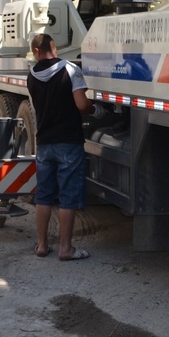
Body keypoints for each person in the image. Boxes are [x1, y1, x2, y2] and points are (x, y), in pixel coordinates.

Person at [27, 32, 96, 261]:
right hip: (68, 142)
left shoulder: (32, 75)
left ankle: (42, 245)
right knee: (68, 196)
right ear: (53, 48)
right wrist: (95, 110)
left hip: (44, 143)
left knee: (44, 196)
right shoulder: (70, 69)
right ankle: (66, 249)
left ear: (37, 51)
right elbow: (81, 104)